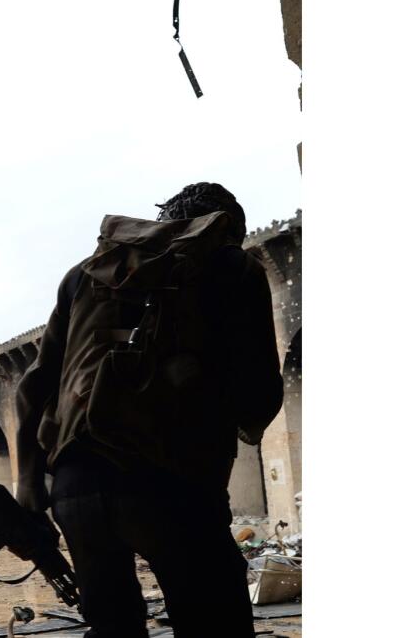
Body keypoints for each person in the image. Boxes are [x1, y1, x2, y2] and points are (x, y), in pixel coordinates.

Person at [14, 183, 284, 637]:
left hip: (76, 485)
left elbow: (34, 385)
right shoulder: (233, 265)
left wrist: (27, 484)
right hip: (170, 480)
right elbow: (259, 393)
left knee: (112, 627)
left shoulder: (86, 275)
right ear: (226, 227)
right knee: (216, 624)